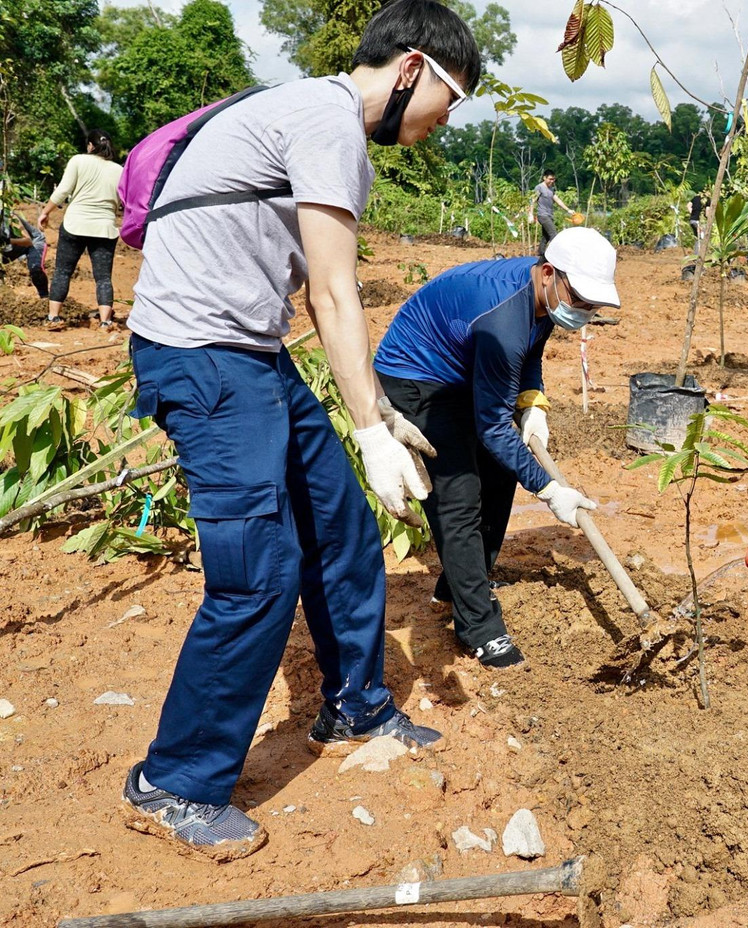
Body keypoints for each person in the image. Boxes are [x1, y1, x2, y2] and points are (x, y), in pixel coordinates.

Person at [119, 0, 481, 861]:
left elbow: (316, 301)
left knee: (342, 528)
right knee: (258, 571)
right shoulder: (328, 123)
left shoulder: (304, 108)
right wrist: (368, 428)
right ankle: (173, 779)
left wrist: (377, 414)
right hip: (204, 358)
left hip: (251, 351)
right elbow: (331, 291)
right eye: (450, 103)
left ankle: (355, 703)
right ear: (412, 71)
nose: (439, 127)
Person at [373, 227, 618, 668]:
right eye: (579, 300)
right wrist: (549, 489)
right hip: (417, 379)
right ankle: (480, 628)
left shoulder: (541, 296)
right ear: (549, 273)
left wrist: (532, 402)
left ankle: (463, 582)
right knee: (459, 495)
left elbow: (531, 354)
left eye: (592, 306)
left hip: (464, 367)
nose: (583, 312)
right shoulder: (503, 320)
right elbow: (492, 427)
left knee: (502, 473)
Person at [37, 130, 122, 329]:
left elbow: (63, 190)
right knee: (103, 278)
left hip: (75, 224)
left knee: (63, 272)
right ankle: (105, 321)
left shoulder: (78, 160)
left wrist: (45, 212)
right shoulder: (119, 170)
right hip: (104, 228)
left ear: (90, 146)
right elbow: (121, 201)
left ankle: (53, 318)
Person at [1, 202, 49, 300]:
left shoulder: (10, 218)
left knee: (36, 270)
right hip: (9, 249)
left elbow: (28, 241)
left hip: (32, 244)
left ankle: (45, 297)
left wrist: (7, 240)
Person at [529, 170, 573, 257]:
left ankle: (540, 254)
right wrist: (530, 214)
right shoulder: (539, 187)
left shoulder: (551, 189)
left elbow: (557, 200)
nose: (552, 181)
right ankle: (557, 255)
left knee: (546, 237)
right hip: (542, 215)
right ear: (544, 178)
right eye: (550, 179)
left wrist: (568, 210)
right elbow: (532, 200)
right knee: (553, 234)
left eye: (553, 179)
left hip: (549, 215)